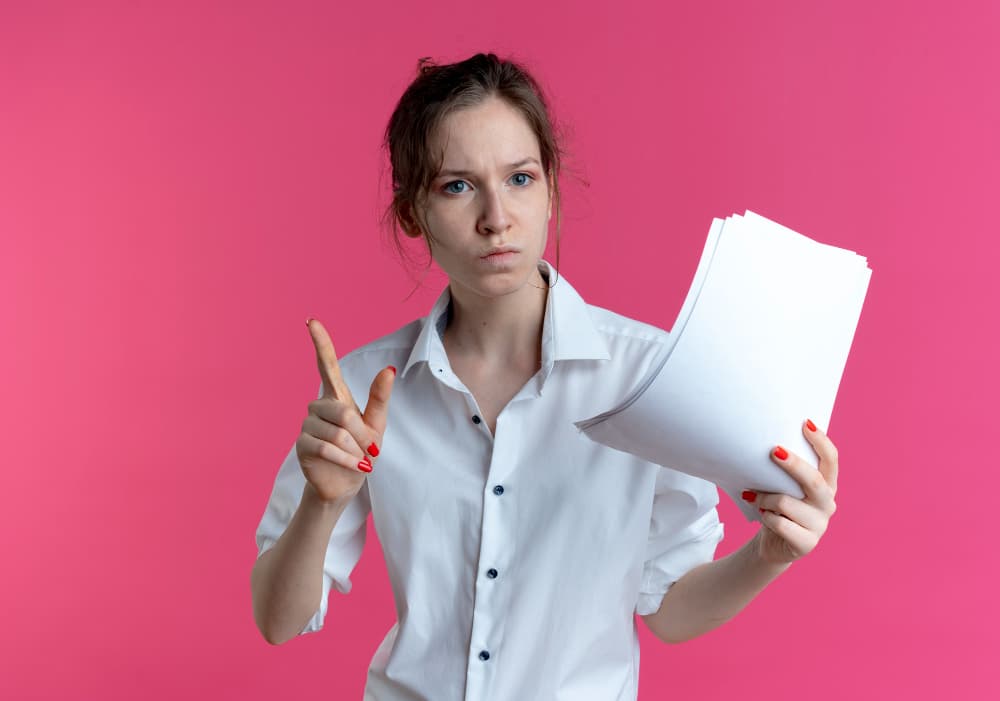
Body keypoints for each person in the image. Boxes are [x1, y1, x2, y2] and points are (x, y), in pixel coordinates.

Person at [250, 52, 839, 700]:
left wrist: (769, 556)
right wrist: (322, 502)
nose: (496, 217)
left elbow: (670, 608)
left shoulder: (647, 376)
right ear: (413, 212)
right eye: (457, 186)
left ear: (552, 189)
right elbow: (278, 620)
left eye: (520, 178)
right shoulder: (366, 388)